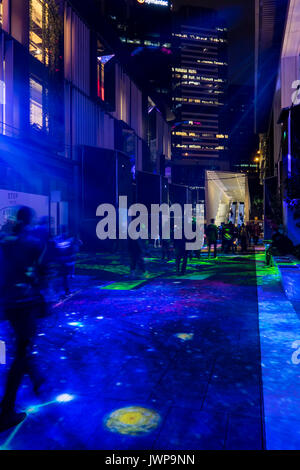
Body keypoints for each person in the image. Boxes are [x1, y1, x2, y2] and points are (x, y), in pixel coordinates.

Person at [0, 207, 46, 431]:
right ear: (31, 220)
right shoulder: (32, 243)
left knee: (22, 347)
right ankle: (6, 411)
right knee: (21, 352)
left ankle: (36, 378)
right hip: (23, 303)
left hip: (8, 303)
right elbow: (38, 272)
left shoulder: (7, 241)